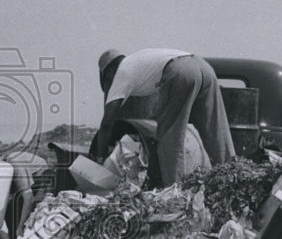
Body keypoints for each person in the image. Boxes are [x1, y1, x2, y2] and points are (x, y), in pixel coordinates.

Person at [93, 47, 235, 188]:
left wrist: (99, 161)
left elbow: (107, 124)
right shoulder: (137, 62)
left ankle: (175, 192)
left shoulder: (121, 73)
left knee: (170, 137)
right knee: (216, 129)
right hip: (204, 67)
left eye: (106, 79)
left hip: (180, 72)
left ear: (109, 71)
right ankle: (234, 179)